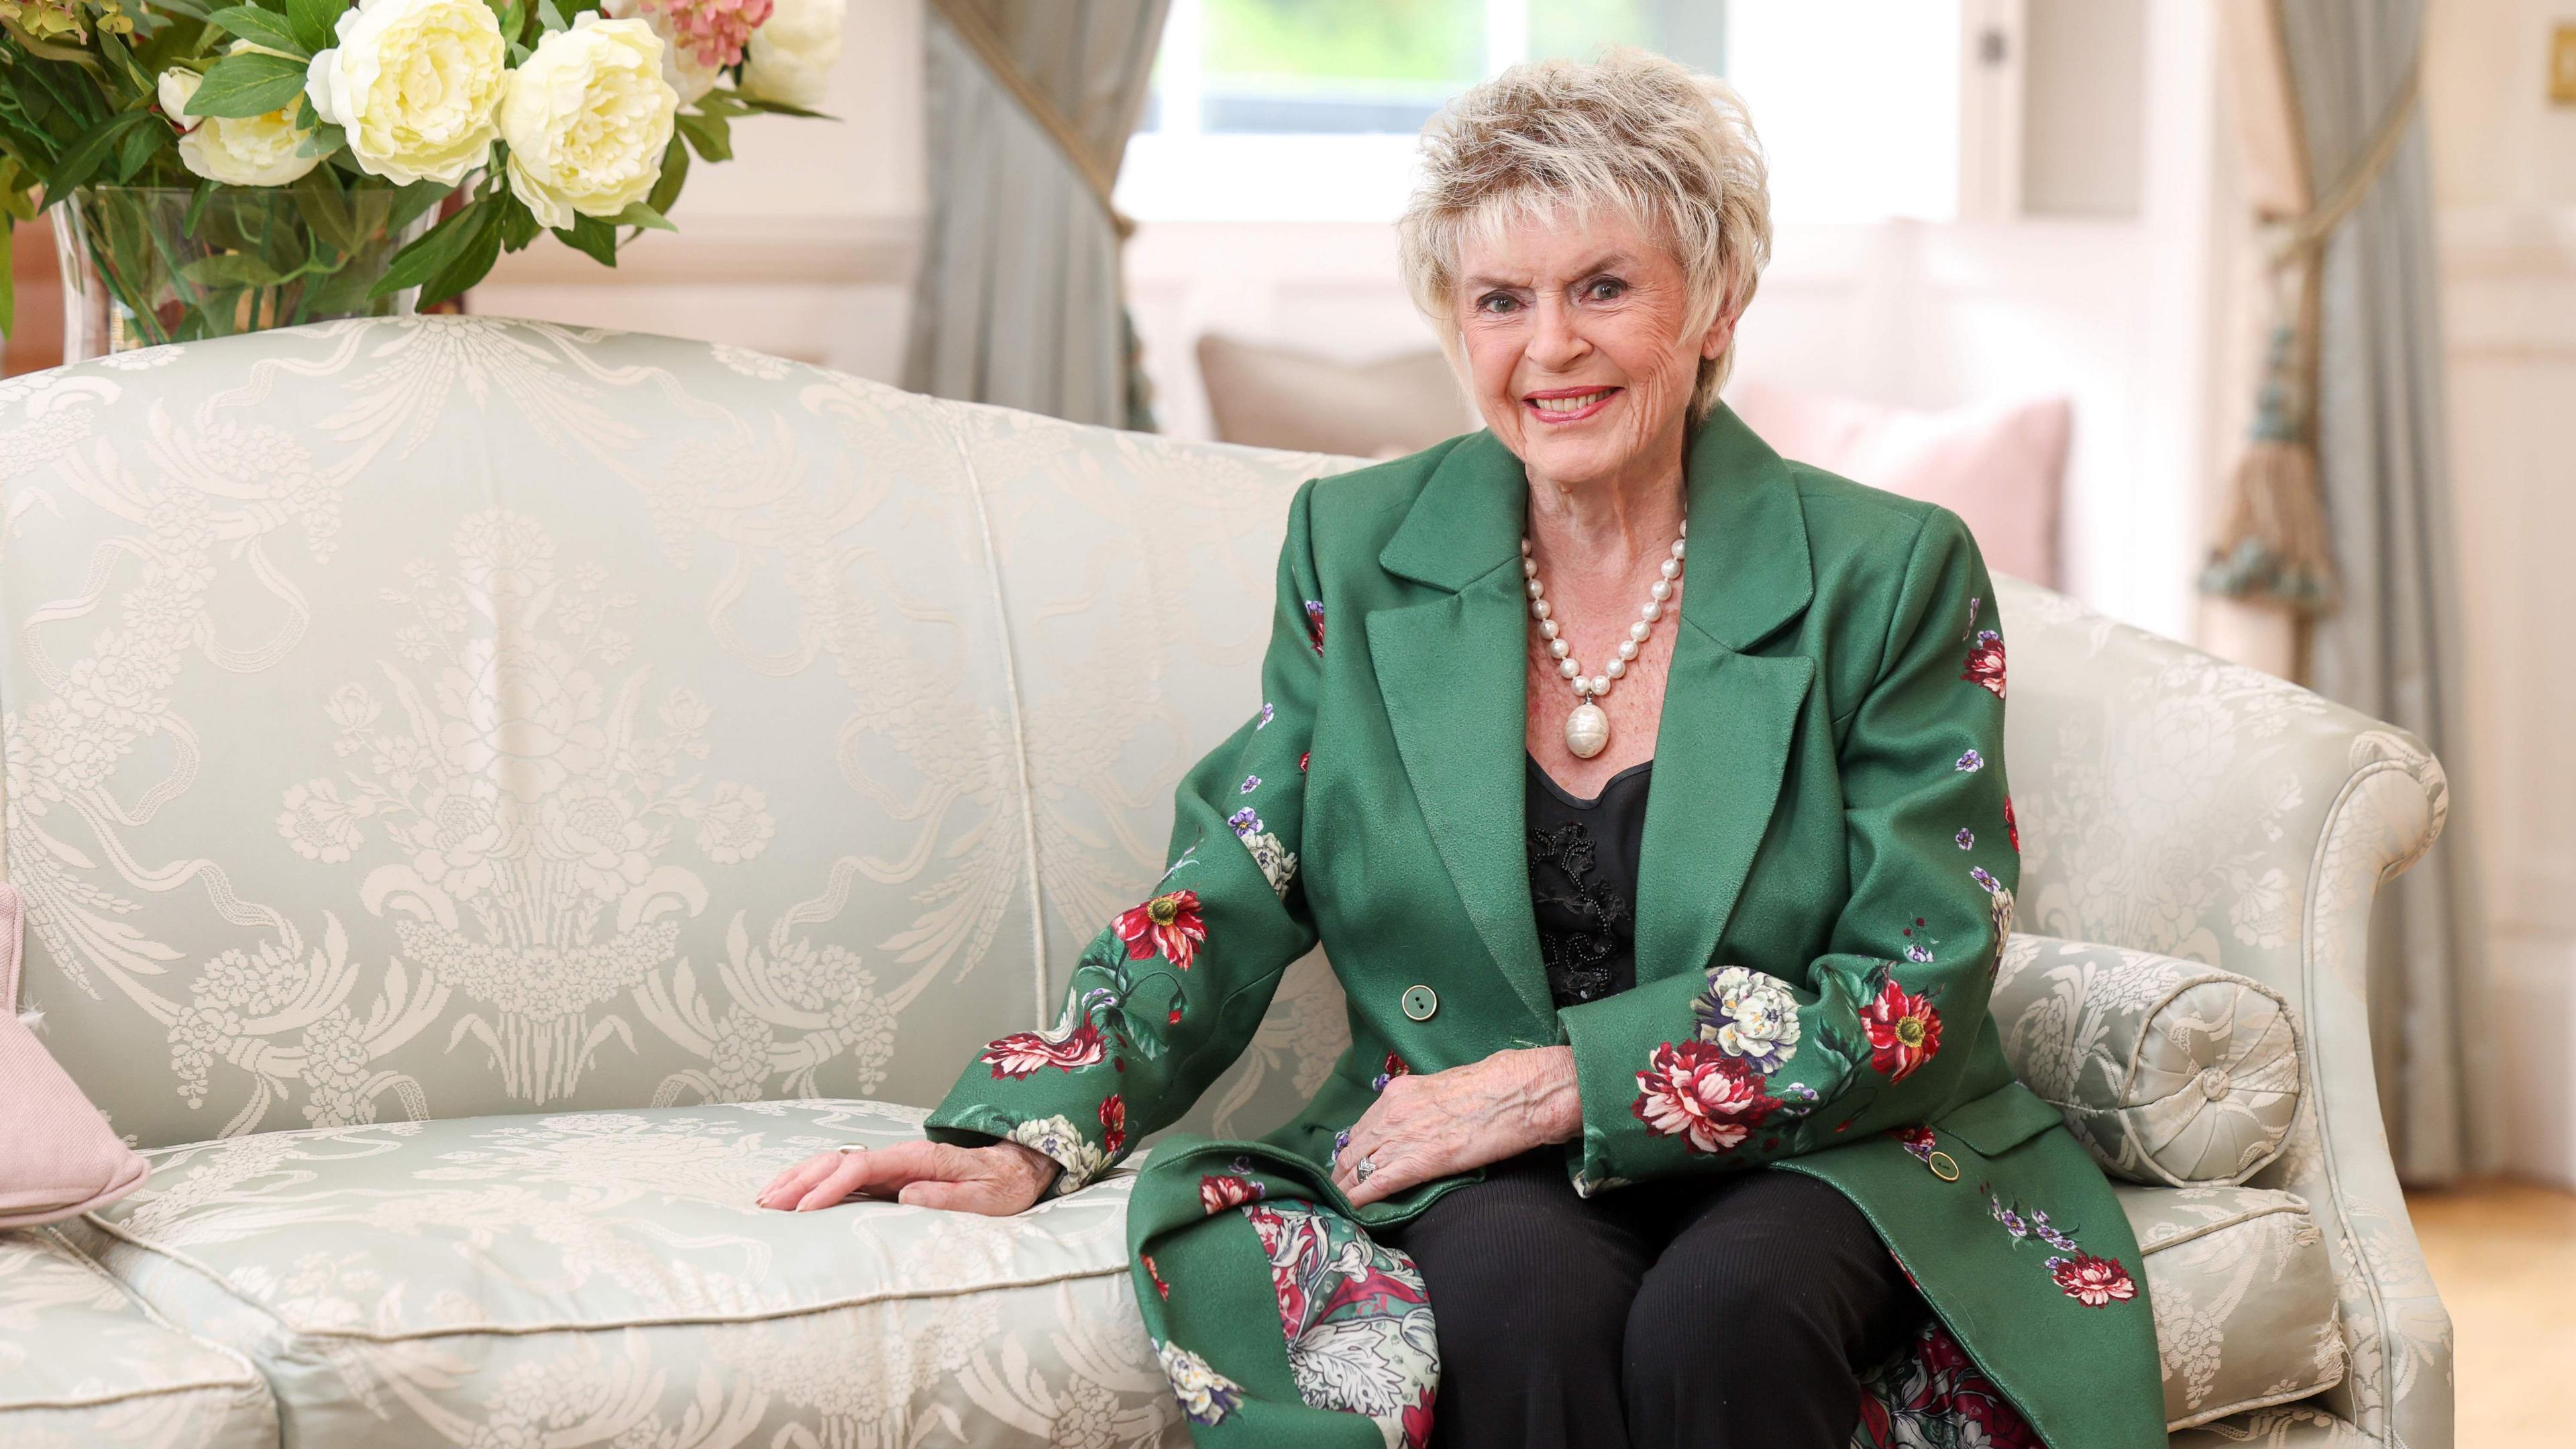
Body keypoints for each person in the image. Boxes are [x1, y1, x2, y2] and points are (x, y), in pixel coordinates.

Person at [759, 48, 2163, 1449]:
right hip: (1494, 1164)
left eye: (1605, 288)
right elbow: (1238, 879)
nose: (1550, 348)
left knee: (1723, 1316)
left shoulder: (1889, 571)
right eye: (1501, 301)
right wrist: (1029, 1126)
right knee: (1513, 1296)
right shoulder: (1359, 552)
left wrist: (1563, 1081)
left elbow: (1924, 979)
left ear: (1716, 303)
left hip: (1823, 1143)